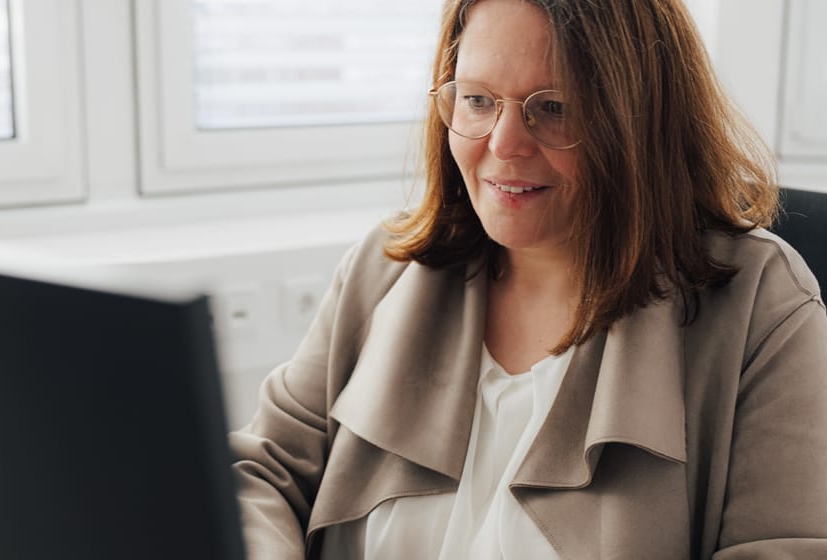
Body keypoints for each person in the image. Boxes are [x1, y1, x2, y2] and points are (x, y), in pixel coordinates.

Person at [229, 0, 827, 558]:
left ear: (642, 119)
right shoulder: (386, 269)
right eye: (477, 100)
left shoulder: (760, 301)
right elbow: (259, 471)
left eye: (554, 108)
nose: (504, 144)